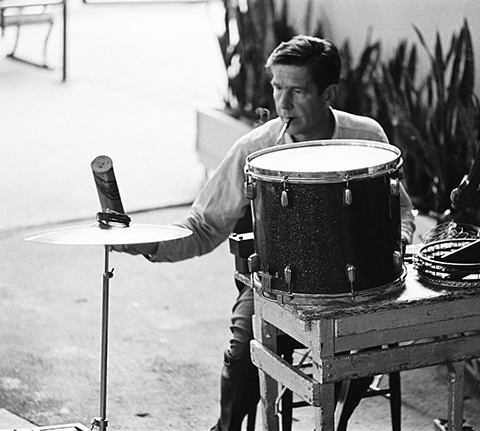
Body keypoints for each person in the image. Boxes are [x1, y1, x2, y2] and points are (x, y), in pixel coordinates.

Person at [115, 35, 415, 431]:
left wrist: (402, 237)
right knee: (243, 352)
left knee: (373, 342)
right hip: (276, 286)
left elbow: (401, 209)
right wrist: (149, 243)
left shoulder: (367, 137)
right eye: (277, 87)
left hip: (358, 288)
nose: (283, 103)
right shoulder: (254, 149)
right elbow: (204, 225)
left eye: (297, 91)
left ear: (329, 93)